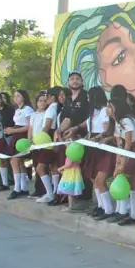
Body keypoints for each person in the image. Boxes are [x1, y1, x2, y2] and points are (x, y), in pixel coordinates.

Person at [56, 71, 92, 212]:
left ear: (82, 81)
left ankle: (85, 200)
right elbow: (66, 118)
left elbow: (90, 117)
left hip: (83, 137)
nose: (75, 81)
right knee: (71, 168)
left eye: (77, 79)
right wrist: (59, 131)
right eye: (72, 79)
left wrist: (77, 129)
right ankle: (72, 200)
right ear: (68, 82)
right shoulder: (68, 99)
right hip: (69, 139)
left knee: (84, 168)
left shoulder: (86, 97)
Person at [110, 100, 135, 226]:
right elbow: (120, 143)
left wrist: (123, 163)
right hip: (127, 150)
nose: (107, 109)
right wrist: (118, 161)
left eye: (110, 106)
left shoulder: (126, 121)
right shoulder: (117, 122)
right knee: (127, 179)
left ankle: (127, 213)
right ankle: (125, 212)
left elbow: (129, 142)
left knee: (128, 178)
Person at [80, 87, 114, 218]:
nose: (87, 99)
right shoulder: (93, 112)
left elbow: (107, 130)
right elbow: (88, 127)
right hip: (92, 146)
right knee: (93, 177)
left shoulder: (105, 110)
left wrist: (97, 138)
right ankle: (101, 206)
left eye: (89, 97)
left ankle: (108, 209)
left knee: (100, 179)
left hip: (102, 147)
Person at [28, 92, 56, 204]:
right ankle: (41, 190)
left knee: (43, 167)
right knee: (37, 167)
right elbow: (30, 128)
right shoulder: (33, 115)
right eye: (40, 101)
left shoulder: (48, 112)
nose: (43, 103)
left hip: (45, 143)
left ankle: (50, 192)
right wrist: (29, 141)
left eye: (45, 100)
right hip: (34, 143)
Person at [7, 90, 34, 200]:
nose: (16, 98)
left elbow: (29, 126)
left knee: (14, 160)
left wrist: (14, 131)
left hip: (22, 136)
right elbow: (18, 123)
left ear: (24, 97)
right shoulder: (17, 109)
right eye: (15, 96)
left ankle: (17, 188)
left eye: (18, 96)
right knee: (19, 162)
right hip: (16, 134)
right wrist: (11, 129)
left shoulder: (28, 109)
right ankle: (23, 188)